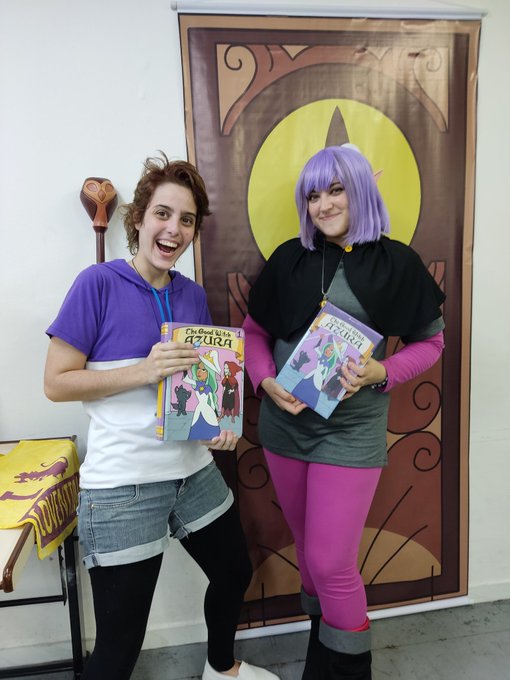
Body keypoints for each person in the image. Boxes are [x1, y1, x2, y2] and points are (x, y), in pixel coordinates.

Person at [44, 153, 279, 680]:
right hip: (122, 487)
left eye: (187, 219)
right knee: (120, 647)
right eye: (163, 213)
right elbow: (56, 382)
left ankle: (221, 669)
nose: (174, 228)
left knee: (234, 572)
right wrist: (142, 371)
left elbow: (199, 386)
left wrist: (218, 425)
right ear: (139, 218)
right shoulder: (97, 284)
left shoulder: (191, 295)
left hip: (193, 472)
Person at [243, 145, 445, 680]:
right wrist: (264, 380)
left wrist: (383, 372)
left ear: (360, 189)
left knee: (332, 562)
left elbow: (431, 344)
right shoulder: (289, 257)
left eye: (336, 190)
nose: (324, 205)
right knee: (312, 559)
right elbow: (254, 333)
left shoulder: (397, 262)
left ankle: (352, 672)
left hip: (350, 434)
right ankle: (321, 657)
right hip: (285, 429)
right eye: (313, 195)